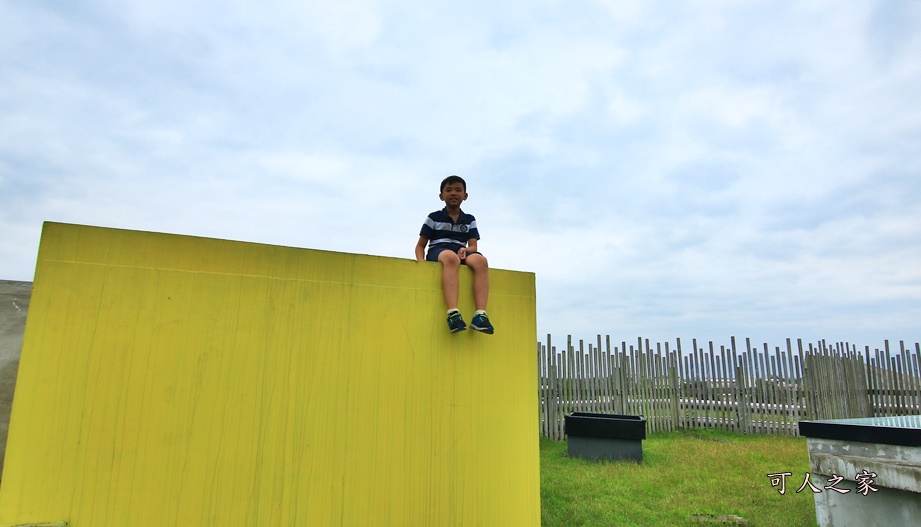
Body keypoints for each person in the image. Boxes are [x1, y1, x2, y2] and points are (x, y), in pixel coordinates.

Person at [415, 175, 494, 334]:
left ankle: (480, 315)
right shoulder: (434, 217)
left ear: (465, 196)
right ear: (441, 196)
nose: (453, 193)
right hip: (439, 251)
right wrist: (421, 263)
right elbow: (420, 246)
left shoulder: (469, 219)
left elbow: (473, 245)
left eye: (458, 190)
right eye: (448, 190)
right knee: (451, 258)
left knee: (481, 261)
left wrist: (467, 250)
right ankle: (453, 313)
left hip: (462, 251)